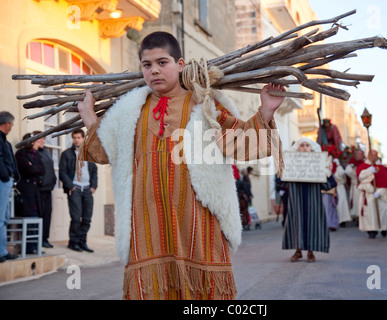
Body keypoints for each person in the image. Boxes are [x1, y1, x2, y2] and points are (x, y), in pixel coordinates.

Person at [76, 31, 285, 300]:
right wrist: (90, 118)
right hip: (147, 226)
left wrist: (266, 110)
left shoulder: (204, 104)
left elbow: (240, 144)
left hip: (198, 223)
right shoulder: (130, 110)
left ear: (181, 64)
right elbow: (105, 151)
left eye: (162, 62)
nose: (154, 71)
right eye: (147, 65)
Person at [282, 137, 337, 263]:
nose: (305, 147)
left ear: (311, 148)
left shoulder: (318, 163)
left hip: (313, 200)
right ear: (298, 148)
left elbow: (328, 185)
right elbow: (282, 182)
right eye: (302, 145)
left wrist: (328, 171)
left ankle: (311, 252)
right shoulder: (291, 163)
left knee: (313, 223)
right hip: (297, 199)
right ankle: (298, 251)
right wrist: (282, 170)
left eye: (307, 145)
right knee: (297, 223)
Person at [59, 129, 98, 253]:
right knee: (76, 218)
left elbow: (94, 171)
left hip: (87, 190)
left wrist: (93, 186)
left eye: (79, 137)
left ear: (83, 138)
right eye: (74, 137)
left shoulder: (89, 153)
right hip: (75, 189)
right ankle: (73, 242)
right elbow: (62, 172)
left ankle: (82, 242)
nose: (76, 140)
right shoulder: (66, 154)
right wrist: (70, 186)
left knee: (86, 218)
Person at [15, 133, 46, 254]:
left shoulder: (37, 154)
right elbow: (26, 169)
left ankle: (35, 246)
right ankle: (28, 248)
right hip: (25, 192)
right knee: (28, 219)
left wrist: (33, 167)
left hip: (35, 193)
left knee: (36, 218)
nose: (37, 143)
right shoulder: (21, 154)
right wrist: (33, 168)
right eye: (35, 141)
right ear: (30, 142)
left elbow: (42, 170)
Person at [356, 150, 387, 238]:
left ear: (377, 156)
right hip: (368, 195)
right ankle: (371, 230)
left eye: (375, 155)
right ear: (368, 156)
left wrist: (379, 193)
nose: (373, 157)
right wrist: (369, 171)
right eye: (371, 155)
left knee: (384, 211)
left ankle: (383, 228)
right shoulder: (363, 167)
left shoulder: (382, 168)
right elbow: (360, 178)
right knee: (370, 214)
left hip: (380, 195)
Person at [0, 111, 19, 263]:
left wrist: (14, 176)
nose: (12, 127)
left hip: (7, 182)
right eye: (11, 124)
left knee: (5, 218)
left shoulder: (5, 142)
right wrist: (6, 176)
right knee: (0, 218)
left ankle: (2, 251)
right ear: (6, 123)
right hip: (2, 181)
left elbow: (10, 161)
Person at [33, 131, 57, 248]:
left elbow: (51, 168)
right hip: (39, 190)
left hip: (48, 189)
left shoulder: (46, 151)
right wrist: (40, 180)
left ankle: (45, 239)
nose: (42, 142)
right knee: (40, 215)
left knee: (47, 215)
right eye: (39, 140)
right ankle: (38, 240)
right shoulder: (34, 152)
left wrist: (54, 180)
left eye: (43, 139)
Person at [345, 149, 365, 221]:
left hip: (363, 185)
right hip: (355, 184)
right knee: (355, 201)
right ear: (356, 155)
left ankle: (361, 216)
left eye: (361, 154)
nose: (360, 155)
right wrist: (353, 169)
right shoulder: (352, 164)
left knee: (362, 201)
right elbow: (348, 172)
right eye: (358, 154)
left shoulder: (364, 163)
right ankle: (356, 216)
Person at [333, 158, 352, 226]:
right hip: (332, 188)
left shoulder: (339, 168)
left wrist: (338, 166)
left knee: (341, 204)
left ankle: (342, 220)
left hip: (340, 187)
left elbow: (341, 174)